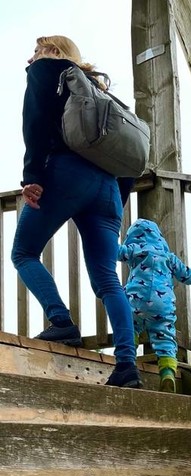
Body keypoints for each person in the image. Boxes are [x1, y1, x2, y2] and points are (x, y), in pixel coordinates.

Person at [11, 35, 142, 389]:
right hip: (108, 187)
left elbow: (35, 122)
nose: (32, 56)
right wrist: (117, 197)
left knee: (23, 253)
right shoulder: (103, 92)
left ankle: (61, 321)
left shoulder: (48, 71)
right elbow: (129, 153)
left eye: (37, 50)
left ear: (54, 52)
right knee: (108, 280)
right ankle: (127, 364)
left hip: (65, 173)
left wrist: (32, 176)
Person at [118, 218, 191, 392]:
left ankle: (127, 363)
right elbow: (187, 275)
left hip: (135, 302)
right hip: (162, 306)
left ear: (132, 237)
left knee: (129, 327)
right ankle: (168, 373)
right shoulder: (169, 257)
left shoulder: (136, 249)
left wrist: (99, 238)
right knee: (165, 338)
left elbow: (115, 251)